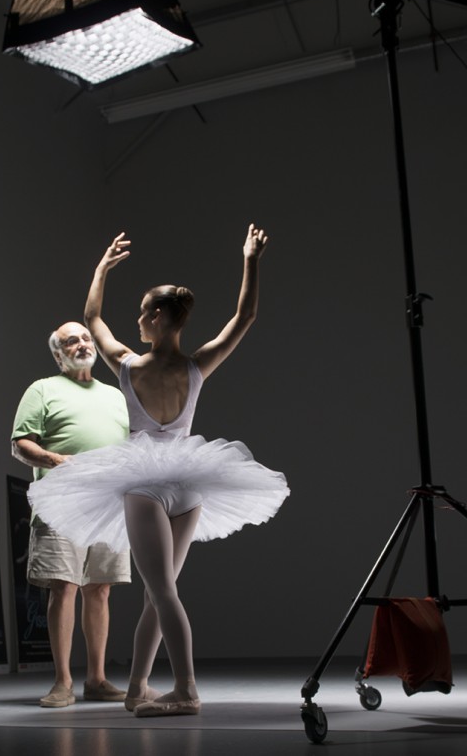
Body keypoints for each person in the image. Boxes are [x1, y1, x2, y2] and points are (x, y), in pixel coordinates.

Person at [28, 223, 289, 717]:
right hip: (189, 483)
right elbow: (246, 315)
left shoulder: (128, 366)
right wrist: (250, 259)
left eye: (144, 311)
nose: (139, 319)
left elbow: (91, 316)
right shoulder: (198, 365)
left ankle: (187, 690)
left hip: (145, 484)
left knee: (162, 591)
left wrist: (102, 268)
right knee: (157, 594)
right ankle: (138, 687)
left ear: (159, 316)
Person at [11, 322, 131, 708]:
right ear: (57, 354)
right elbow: (20, 443)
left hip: (109, 502)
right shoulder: (43, 389)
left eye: (85, 338)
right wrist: (55, 459)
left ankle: (96, 679)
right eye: (71, 341)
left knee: (101, 588)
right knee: (64, 585)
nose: (81, 344)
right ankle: (63, 682)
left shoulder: (115, 395)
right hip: (62, 499)